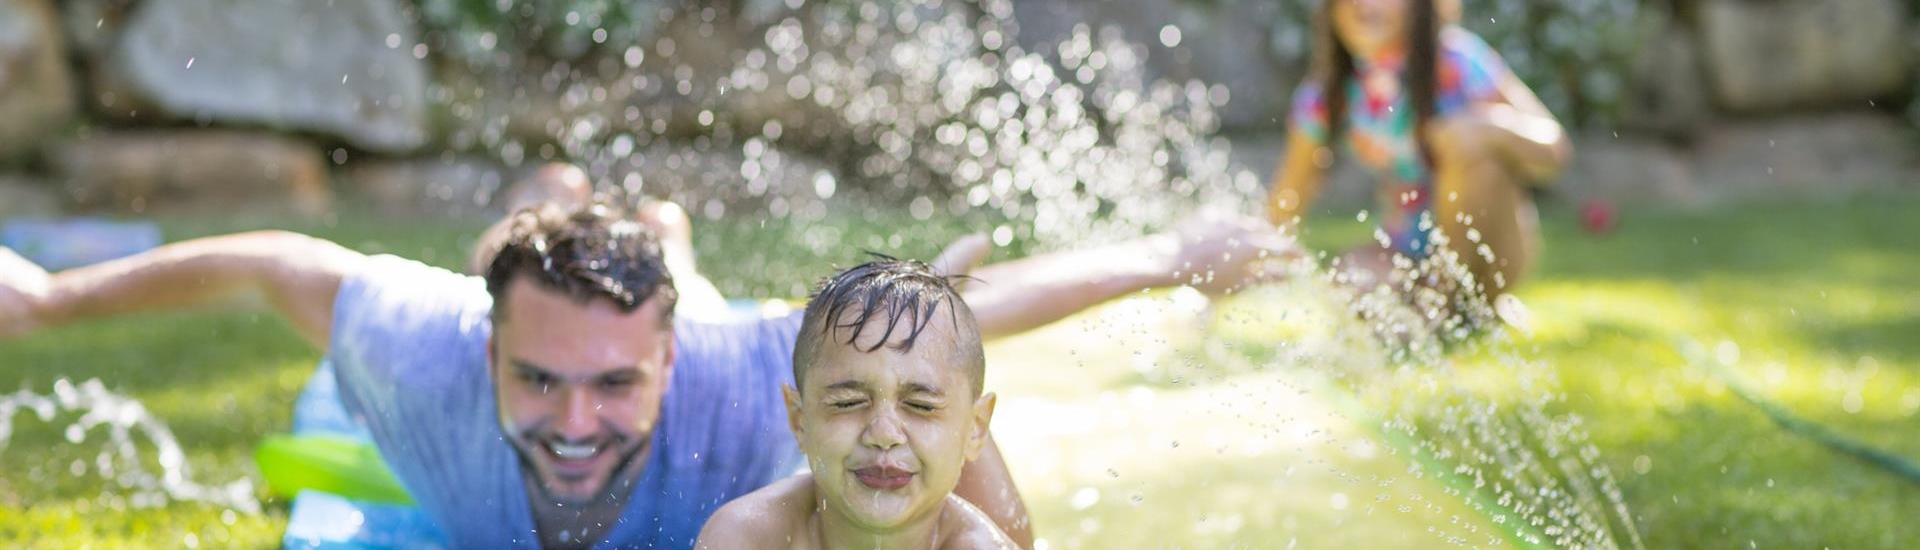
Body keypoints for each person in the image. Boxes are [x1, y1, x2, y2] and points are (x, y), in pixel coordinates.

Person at [0, 200, 1291, 549]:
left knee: (697, 281)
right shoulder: (419, 344)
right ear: (487, 350)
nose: (573, 422)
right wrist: (54, 302)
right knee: (526, 221)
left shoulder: (736, 370)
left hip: (716, 335)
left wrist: (1171, 256)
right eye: (538, 378)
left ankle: (661, 235)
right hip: (519, 294)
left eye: (616, 383)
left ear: (669, 361)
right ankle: (563, 206)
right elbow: (277, 258)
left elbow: (963, 309)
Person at [1264, 0, 1569, 322]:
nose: (1364, 4)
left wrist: (1486, 128)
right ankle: (1439, 310)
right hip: (1406, 249)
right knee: (1351, 278)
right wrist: (1247, 256)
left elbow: (1554, 148)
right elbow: (1289, 196)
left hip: (1492, 247)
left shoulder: (1457, 61)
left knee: (1471, 153)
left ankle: (1463, 301)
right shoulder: (1332, 92)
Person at [696, 258, 1017, 550]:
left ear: (976, 430)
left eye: (920, 406)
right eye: (848, 403)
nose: (884, 433)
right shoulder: (745, 538)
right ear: (799, 420)